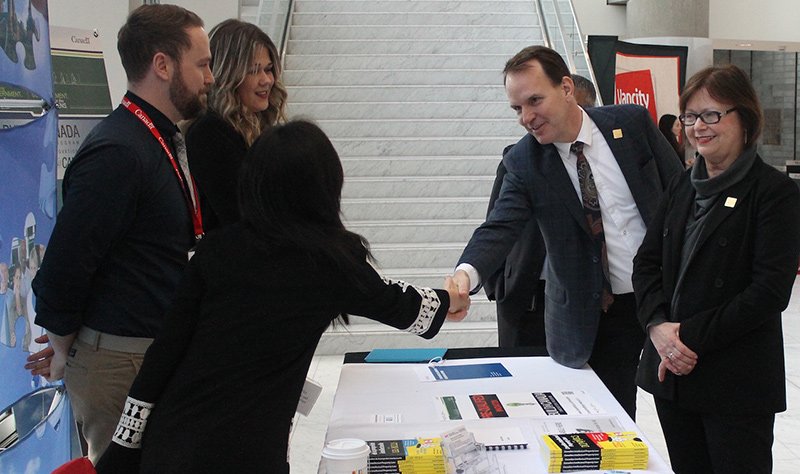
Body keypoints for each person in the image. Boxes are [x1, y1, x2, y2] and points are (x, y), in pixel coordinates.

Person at [89, 120, 469, 474]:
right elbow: (402, 306)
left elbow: (166, 350)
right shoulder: (331, 261)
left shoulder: (217, 251)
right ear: (325, 188)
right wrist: (451, 297)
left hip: (174, 439)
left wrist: (124, 443)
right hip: (249, 450)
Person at [453, 45, 682, 419]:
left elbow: (680, 195)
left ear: (566, 88)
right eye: (517, 108)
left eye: (534, 101)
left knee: (676, 406)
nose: (526, 117)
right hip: (594, 311)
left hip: (659, 296)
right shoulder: (525, 161)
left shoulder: (633, 124)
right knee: (606, 420)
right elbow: (499, 226)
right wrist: (465, 275)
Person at [27, 4, 213, 462]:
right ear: (163, 65)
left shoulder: (153, 139)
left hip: (143, 357)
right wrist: (66, 351)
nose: (211, 78)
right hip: (120, 367)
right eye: (203, 65)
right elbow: (64, 270)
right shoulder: (118, 152)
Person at [633, 64, 800, 473]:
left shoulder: (774, 193)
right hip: (671, 376)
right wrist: (657, 326)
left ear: (745, 118)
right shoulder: (680, 185)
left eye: (711, 114)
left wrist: (683, 339)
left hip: (735, 381)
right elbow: (646, 263)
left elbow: (769, 292)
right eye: (690, 116)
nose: (697, 127)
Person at [486, 75, 598, 348]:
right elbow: (496, 223)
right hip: (528, 296)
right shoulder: (518, 161)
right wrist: (500, 285)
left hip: (589, 294)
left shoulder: (603, 160)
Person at [186, 19, 288, 231]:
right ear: (227, 75)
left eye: (268, 69)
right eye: (253, 71)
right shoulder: (210, 133)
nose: (266, 80)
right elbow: (240, 217)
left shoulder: (260, 128)